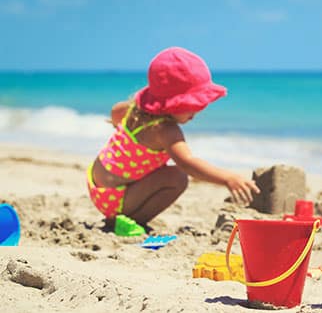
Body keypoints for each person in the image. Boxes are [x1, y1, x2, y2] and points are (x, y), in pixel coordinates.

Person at [87, 47, 260, 230]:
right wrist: (227, 178)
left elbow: (115, 113)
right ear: (172, 103)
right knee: (177, 178)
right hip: (117, 201)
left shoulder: (131, 109)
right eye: (191, 106)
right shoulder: (166, 131)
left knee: (160, 169)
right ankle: (130, 222)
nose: (197, 112)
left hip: (97, 187)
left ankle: (120, 214)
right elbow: (187, 163)